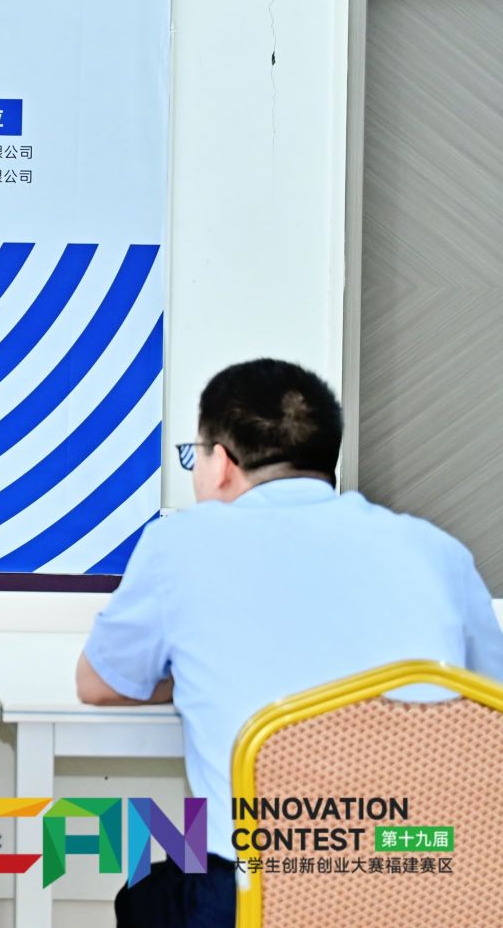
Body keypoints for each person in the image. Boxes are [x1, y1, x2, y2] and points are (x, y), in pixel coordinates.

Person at [78, 359, 503, 928]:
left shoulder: (181, 543)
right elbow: (487, 702)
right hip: (427, 884)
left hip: (256, 894)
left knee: (144, 891)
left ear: (221, 464)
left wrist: (196, 679)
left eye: (194, 456)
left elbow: (99, 684)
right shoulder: (437, 550)